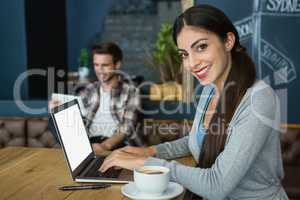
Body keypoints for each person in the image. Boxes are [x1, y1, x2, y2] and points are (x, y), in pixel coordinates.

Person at [98, 5, 289, 200]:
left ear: (228, 41)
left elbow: (217, 185)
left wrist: (146, 163)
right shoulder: (208, 91)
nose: (191, 63)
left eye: (202, 47)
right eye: (184, 54)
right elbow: (196, 141)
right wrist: (150, 151)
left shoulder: (259, 98)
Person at [49, 42, 141, 154]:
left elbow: (126, 128)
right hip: (89, 142)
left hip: (116, 145)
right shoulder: (88, 90)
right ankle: (77, 151)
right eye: (96, 65)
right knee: (52, 121)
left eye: (105, 65)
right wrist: (58, 110)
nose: (99, 70)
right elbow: (77, 120)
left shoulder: (131, 91)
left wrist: (104, 146)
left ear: (117, 65)